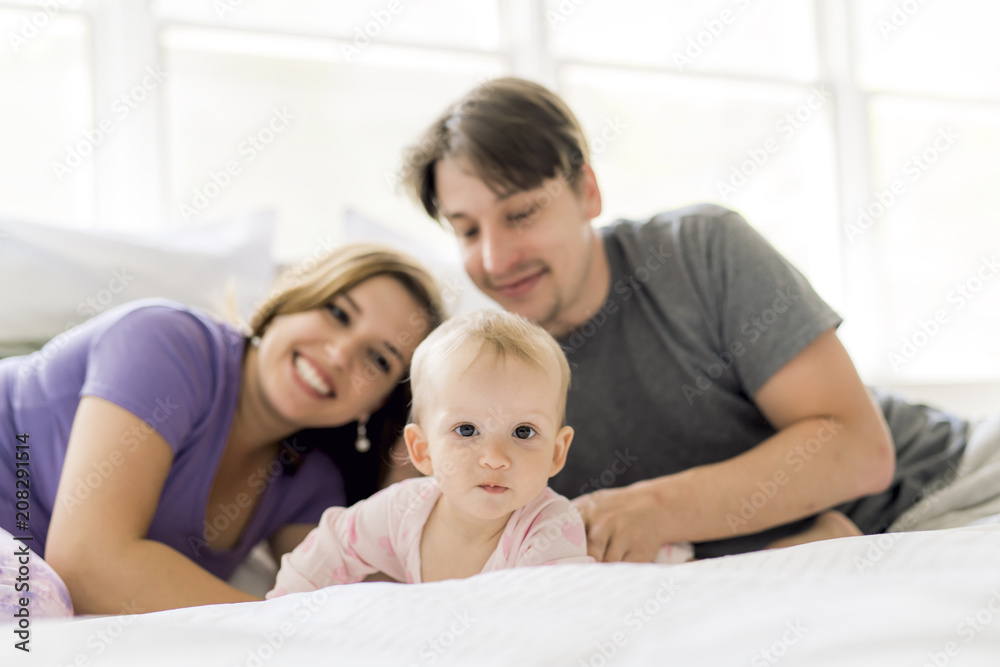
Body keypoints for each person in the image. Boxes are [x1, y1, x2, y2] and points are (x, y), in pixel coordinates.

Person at [399, 77, 996, 562]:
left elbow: (861, 448)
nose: (496, 258)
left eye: (522, 213)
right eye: (467, 230)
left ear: (588, 191)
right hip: (841, 552)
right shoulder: (479, 377)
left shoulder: (702, 250)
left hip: (949, 482)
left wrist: (656, 509)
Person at [0, 243, 444, 616]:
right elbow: (85, 565)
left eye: (379, 360)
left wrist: (412, 464)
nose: (340, 353)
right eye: (337, 312)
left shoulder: (311, 480)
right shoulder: (167, 344)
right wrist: (278, 627)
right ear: (292, 299)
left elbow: (354, 606)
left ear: (379, 405)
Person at [266, 309, 596, 595]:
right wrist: (282, 615)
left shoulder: (547, 530)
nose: (495, 457)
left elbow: (554, 626)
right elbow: (333, 546)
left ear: (556, 451)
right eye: (466, 430)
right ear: (422, 451)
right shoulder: (406, 511)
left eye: (523, 432)